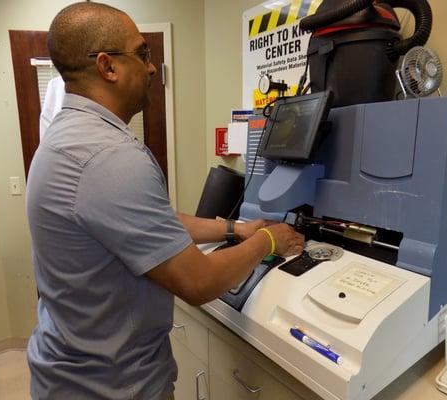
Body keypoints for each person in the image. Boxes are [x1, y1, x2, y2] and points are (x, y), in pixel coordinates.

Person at [26, 2, 305, 400]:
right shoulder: (110, 157)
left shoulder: (63, 137)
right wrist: (270, 242)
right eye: (142, 54)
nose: (152, 67)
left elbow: (149, 220)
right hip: (110, 387)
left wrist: (235, 229)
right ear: (108, 67)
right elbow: (198, 281)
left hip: (65, 370)